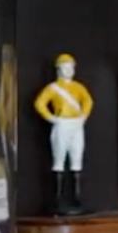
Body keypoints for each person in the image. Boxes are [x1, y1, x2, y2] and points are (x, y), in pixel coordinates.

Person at [34, 54, 94, 214]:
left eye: (71, 67)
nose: (69, 70)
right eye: (66, 67)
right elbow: (40, 103)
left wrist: (84, 116)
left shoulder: (78, 87)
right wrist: (51, 118)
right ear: (59, 69)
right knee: (59, 161)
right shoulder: (53, 88)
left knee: (77, 159)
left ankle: (77, 197)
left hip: (76, 124)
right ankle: (57, 198)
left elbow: (88, 101)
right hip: (62, 123)